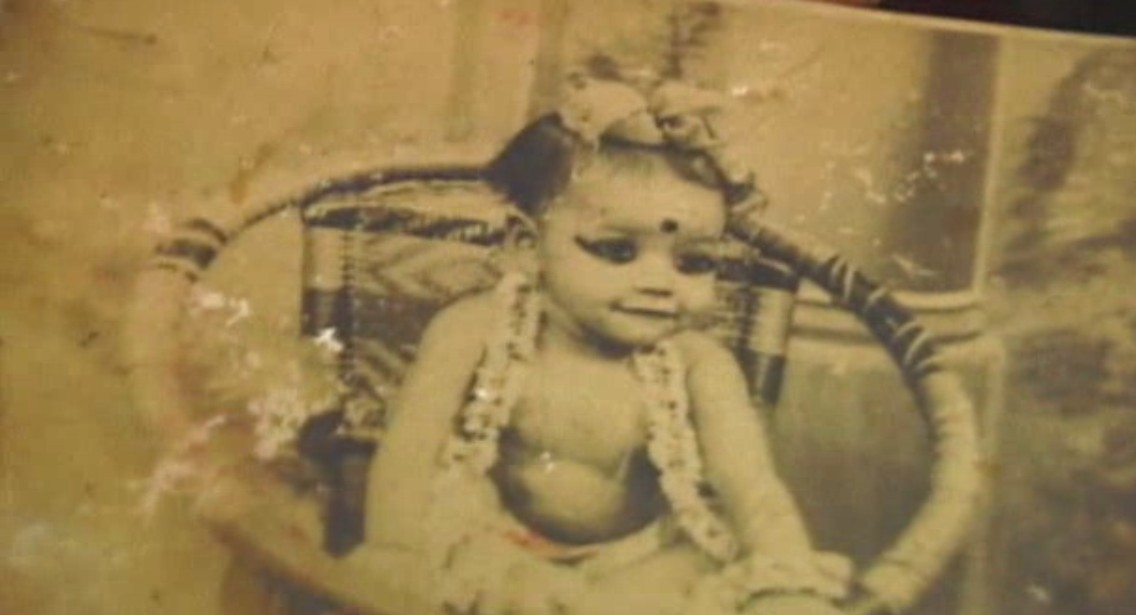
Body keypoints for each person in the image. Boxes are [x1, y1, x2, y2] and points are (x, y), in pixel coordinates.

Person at [361, 79, 853, 615]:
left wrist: (785, 573)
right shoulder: (476, 328)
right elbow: (408, 450)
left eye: (694, 262)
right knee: (473, 560)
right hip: (502, 540)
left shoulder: (699, 364)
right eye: (617, 251)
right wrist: (394, 552)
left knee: (696, 574)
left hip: (640, 557)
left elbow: (750, 486)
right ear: (526, 246)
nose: (660, 282)